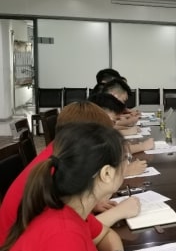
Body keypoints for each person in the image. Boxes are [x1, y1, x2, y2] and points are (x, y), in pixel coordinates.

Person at [0, 123, 164, 251]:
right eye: (125, 159)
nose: (127, 164)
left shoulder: (72, 210)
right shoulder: (62, 235)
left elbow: (105, 234)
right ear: (107, 173)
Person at [0, 102, 142, 241]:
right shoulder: (59, 171)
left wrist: (92, 201)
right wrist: (119, 212)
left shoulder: (60, 155)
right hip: (14, 247)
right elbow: (67, 233)